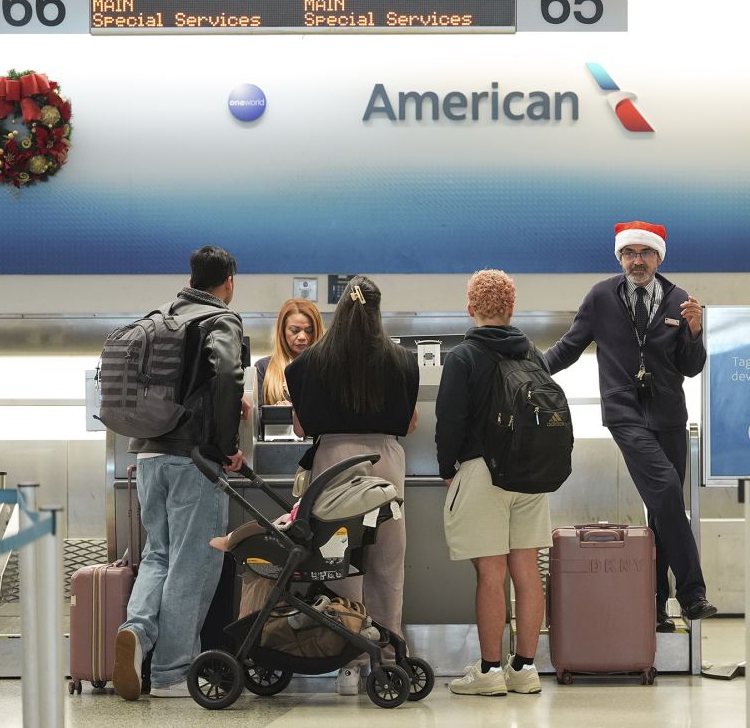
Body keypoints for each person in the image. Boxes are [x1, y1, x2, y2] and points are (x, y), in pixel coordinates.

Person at [544, 220, 717, 631]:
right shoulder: (602, 296)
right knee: (668, 489)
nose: (637, 261)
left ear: (658, 257)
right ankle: (692, 594)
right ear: (620, 257)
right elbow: (569, 347)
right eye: (629, 253)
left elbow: (691, 369)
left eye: (645, 253)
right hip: (625, 413)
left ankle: (655, 610)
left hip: (670, 415)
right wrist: (528, 372)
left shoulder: (680, 301)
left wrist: (695, 332)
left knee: (661, 509)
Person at [113, 245, 247, 700]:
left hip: (148, 454)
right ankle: (171, 672)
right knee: (194, 563)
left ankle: (136, 632)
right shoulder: (220, 318)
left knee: (158, 556)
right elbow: (228, 374)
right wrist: (226, 446)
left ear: (191, 276)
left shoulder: (164, 316)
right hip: (193, 458)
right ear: (228, 281)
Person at [284, 276, 419, 695]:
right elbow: (410, 423)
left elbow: (301, 425)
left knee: (338, 556)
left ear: (339, 310)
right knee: (386, 557)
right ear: (378, 313)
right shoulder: (404, 361)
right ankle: (390, 656)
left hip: (332, 462)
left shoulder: (304, 364)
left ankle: (350, 662)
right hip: (386, 463)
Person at [436, 269, 553, 697]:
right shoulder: (533, 355)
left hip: (482, 472)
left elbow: (449, 421)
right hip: (531, 474)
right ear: (511, 309)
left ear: (471, 309)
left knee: (491, 573)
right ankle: (524, 668)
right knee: (527, 573)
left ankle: (488, 672)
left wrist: (447, 467)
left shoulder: (463, 356)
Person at [254, 298, 324, 407]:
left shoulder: (326, 369)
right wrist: (276, 412)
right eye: (295, 331)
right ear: (282, 331)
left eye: (309, 331)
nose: (302, 337)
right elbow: (254, 416)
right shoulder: (263, 368)